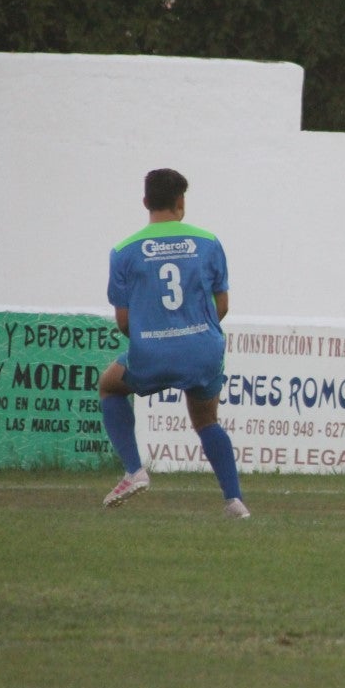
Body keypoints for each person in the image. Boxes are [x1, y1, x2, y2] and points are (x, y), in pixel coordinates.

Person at [97, 168, 250, 519]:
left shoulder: (123, 251)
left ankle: (134, 471)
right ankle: (234, 501)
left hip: (152, 349)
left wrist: (156, 335)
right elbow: (222, 304)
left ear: (145, 202)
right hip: (202, 348)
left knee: (109, 386)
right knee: (206, 419)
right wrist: (192, 332)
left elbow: (124, 321)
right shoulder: (208, 242)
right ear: (181, 202)